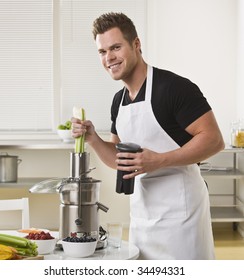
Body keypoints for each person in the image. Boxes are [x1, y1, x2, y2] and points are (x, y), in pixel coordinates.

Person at [71, 12, 225, 259]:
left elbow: (214, 139)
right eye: (102, 52)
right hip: (143, 217)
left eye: (116, 47)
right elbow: (119, 160)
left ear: (136, 44)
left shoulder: (175, 88)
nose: (109, 57)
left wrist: (159, 160)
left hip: (182, 216)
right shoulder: (118, 102)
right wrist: (93, 139)